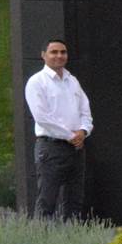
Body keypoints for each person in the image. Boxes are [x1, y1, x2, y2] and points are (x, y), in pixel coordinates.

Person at [26, 38, 93, 220]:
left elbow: (85, 111)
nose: (59, 55)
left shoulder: (72, 81)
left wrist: (84, 131)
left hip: (76, 148)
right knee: (47, 202)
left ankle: (72, 242)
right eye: (54, 52)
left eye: (63, 52)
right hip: (51, 149)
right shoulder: (37, 82)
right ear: (43, 55)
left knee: (75, 202)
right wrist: (70, 135)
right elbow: (42, 118)